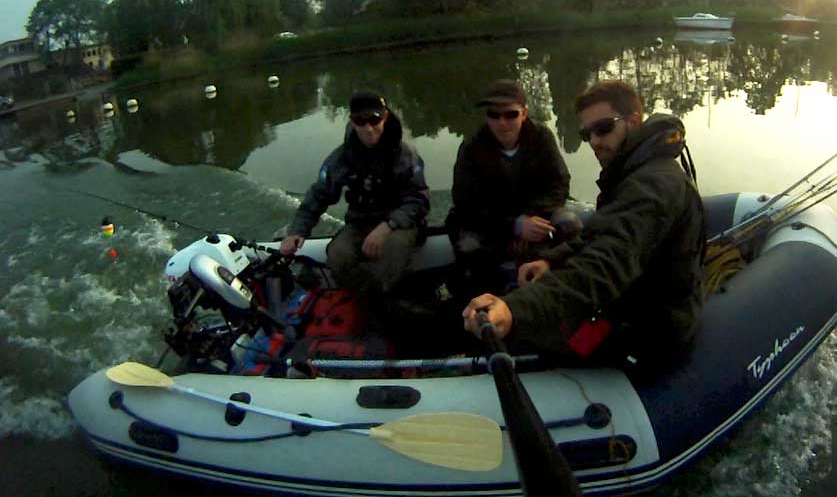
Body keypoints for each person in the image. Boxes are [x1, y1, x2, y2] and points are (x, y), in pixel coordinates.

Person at [462, 80, 705, 367]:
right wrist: (553, 260)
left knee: (533, 341)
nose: (594, 142)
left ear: (634, 120)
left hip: (648, 324)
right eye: (587, 133)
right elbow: (602, 232)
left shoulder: (652, 184)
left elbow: (606, 261)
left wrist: (514, 309)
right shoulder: (633, 172)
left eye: (603, 128)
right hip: (628, 302)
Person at [280, 91, 429, 306]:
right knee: (338, 255)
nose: (368, 128)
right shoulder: (340, 158)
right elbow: (319, 195)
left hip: (401, 225)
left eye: (374, 119)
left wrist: (387, 226)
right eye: (361, 121)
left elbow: (419, 200)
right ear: (352, 121)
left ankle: (386, 303)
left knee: (391, 252)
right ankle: (375, 303)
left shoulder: (406, 156)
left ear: (385, 117)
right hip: (361, 222)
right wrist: (297, 231)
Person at [448, 79, 579, 295]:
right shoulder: (471, 146)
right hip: (491, 222)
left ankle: (558, 285)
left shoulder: (542, 137)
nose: (502, 122)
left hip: (537, 214)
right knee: (468, 246)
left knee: (570, 224)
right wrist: (514, 225)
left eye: (511, 114)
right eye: (494, 115)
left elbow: (559, 183)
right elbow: (465, 202)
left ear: (524, 113)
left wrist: (529, 218)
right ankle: (490, 294)